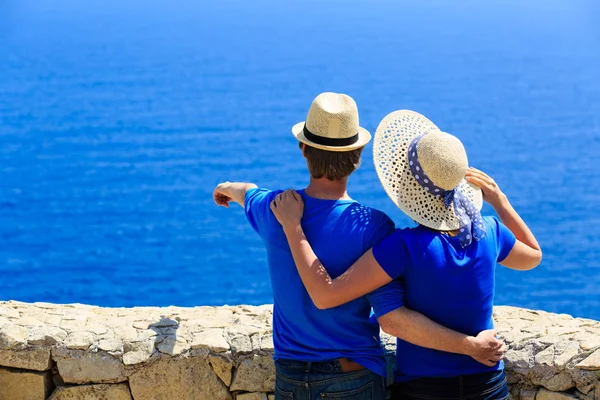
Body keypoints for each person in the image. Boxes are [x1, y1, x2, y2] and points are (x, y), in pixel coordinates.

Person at [213, 96, 506, 400]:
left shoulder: (274, 207)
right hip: (354, 372)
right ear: (357, 157)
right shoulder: (374, 226)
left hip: (291, 373)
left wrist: (225, 188)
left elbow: (246, 191)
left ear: (303, 149)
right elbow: (391, 314)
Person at [269, 109, 542, 400]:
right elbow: (533, 256)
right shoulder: (489, 232)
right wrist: (500, 202)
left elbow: (332, 294)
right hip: (488, 383)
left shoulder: (402, 247)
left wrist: (292, 226)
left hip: (425, 388)